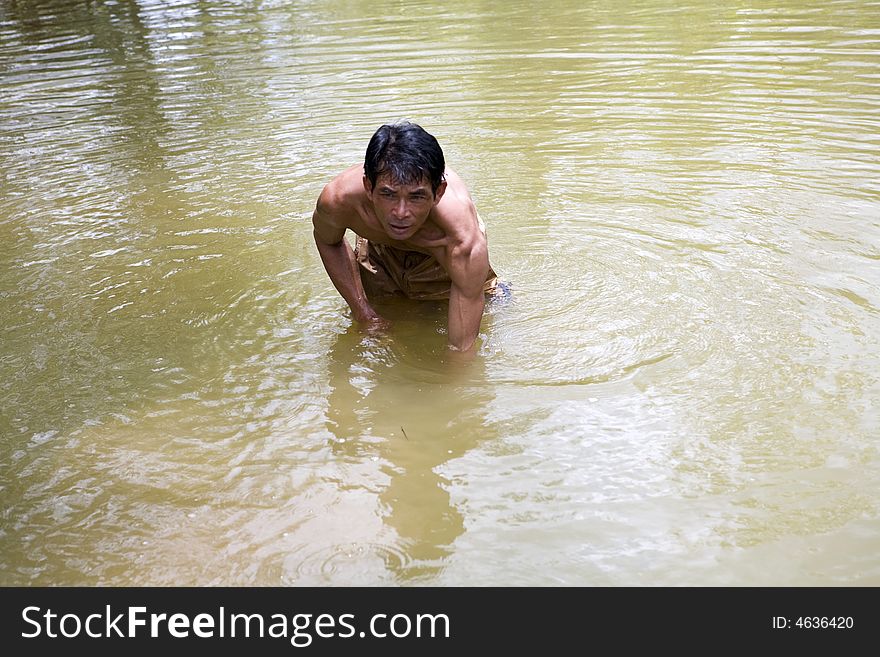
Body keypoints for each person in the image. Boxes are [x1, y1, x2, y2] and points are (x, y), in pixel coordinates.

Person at [312, 121, 500, 353]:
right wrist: (363, 312)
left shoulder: (461, 237)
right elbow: (327, 240)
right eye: (388, 194)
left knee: (489, 315)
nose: (401, 213)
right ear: (368, 187)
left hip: (439, 263)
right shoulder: (339, 200)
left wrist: (454, 386)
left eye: (416, 197)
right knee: (383, 329)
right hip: (378, 253)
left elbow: (461, 347)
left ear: (438, 193)